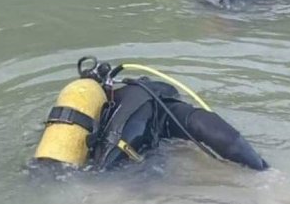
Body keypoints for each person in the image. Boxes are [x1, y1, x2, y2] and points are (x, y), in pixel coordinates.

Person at [31, 57, 269, 173]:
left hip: (83, 173)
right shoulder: (153, 99)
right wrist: (262, 168)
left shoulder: (77, 114)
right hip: (139, 178)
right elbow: (205, 126)